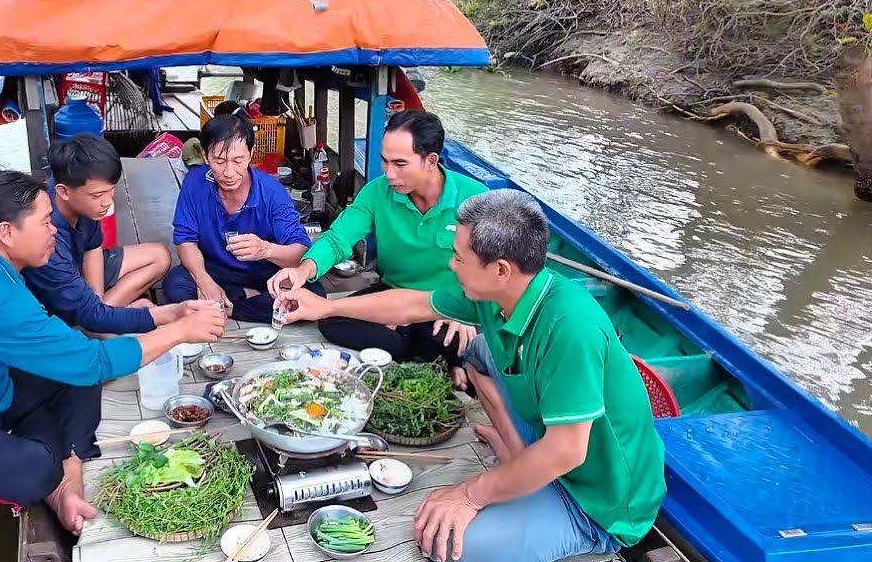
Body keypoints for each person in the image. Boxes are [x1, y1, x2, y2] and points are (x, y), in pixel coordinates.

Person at [275, 189, 665, 562]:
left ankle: (570, 517)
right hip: (550, 442)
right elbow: (413, 305)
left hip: (597, 498)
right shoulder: (499, 296)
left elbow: (567, 450)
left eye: (460, 258)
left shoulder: (570, 328)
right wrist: (323, 309)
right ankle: (517, 454)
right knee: (477, 352)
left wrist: (470, 494)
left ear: (500, 269)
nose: (451, 264)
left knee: (448, 543)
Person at [0, 170, 226, 534]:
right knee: (39, 467)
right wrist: (179, 331)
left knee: (75, 373)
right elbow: (95, 361)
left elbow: (82, 356)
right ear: (7, 232)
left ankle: (66, 470)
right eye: (45, 222)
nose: (54, 229)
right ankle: (57, 475)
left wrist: (165, 315)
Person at [268, 110, 488, 368]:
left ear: (430, 160)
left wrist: (466, 311)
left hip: (447, 304)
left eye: (400, 164)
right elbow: (338, 238)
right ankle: (415, 342)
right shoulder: (377, 192)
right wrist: (303, 271)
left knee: (455, 338)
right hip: (392, 293)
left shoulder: (475, 199)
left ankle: (410, 337)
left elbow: (494, 273)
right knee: (332, 321)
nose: (390, 174)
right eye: (385, 161)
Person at [162, 113, 325, 323]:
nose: (229, 172)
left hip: (267, 274)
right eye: (219, 161)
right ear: (205, 156)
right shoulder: (195, 183)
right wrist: (204, 282)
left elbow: (301, 252)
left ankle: (230, 308)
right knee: (176, 284)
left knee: (314, 295)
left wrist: (265, 250)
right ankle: (241, 300)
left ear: (250, 154)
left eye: (237, 161)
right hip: (217, 270)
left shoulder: (271, 192)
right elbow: (185, 240)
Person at [24, 134, 183, 334]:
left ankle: (100, 316)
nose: (107, 202)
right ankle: (91, 325)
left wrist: (97, 298)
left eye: (110, 190)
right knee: (107, 337)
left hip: (79, 267)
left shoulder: (87, 201)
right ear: (63, 191)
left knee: (159, 256)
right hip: (59, 293)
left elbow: (93, 247)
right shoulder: (47, 232)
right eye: (98, 195)